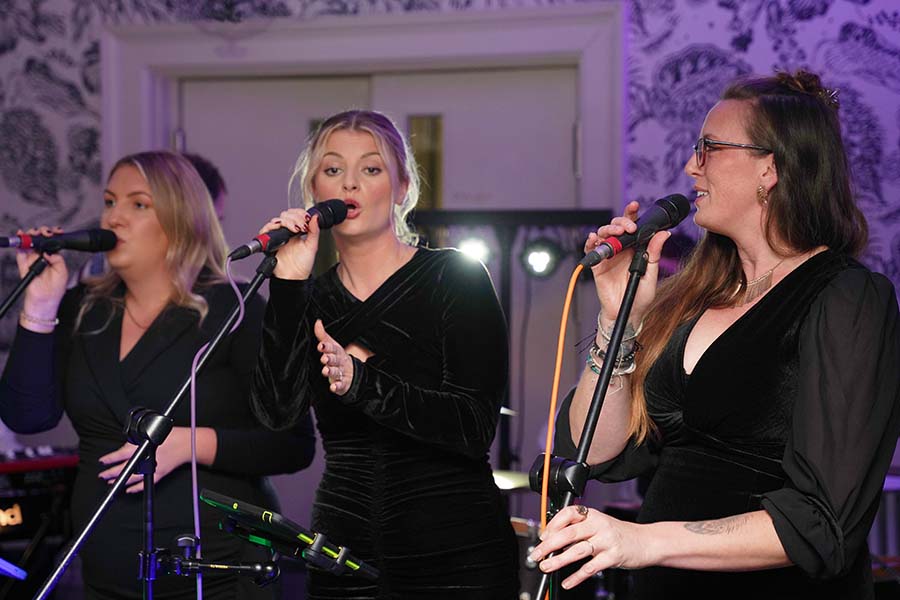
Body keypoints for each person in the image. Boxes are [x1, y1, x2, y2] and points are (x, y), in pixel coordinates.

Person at [532, 70, 900, 599]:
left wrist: (644, 541)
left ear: (770, 168)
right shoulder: (694, 295)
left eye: (709, 148)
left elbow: (821, 522)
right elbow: (601, 450)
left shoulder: (846, 296)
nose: (691, 166)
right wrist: (618, 321)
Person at [0, 151, 316, 599]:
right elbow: (27, 416)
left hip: (216, 572)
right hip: (107, 570)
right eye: (109, 202)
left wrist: (187, 444)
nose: (114, 217)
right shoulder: (82, 309)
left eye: (138, 204)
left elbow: (294, 444)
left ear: (182, 220)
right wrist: (40, 305)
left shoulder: (235, 308)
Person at [249, 109, 519, 599]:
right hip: (345, 550)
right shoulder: (308, 297)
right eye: (333, 169)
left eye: (371, 169)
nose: (349, 183)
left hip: (456, 549)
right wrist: (288, 284)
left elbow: (473, 426)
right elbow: (276, 414)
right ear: (314, 190)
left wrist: (362, 382)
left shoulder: (455, 278)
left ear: (401, 186)